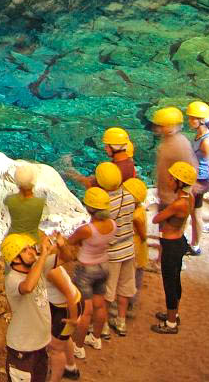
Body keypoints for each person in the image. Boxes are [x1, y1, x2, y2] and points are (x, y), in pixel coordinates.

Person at [66, 187, 115, 355]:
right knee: (100, 305)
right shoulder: (112, 224)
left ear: (90, 208)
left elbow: (71, 241)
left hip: (86, 269)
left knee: (85, 311)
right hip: (104, 265)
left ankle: (78, 347)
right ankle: (96, 338)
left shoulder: (87, 229)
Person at [151, 161, 196, 334]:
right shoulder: (189, 198)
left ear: (179, 182)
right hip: (179, 241)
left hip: (171, 245)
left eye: (172, 178)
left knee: (169, 284)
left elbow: (157, 219)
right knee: (175, 280)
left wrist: (161, 209)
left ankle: (171, 323)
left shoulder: (179, 204)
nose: (169, 180)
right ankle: (173, 313)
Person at [2, 233, 54, 382]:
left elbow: (67, 257)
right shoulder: (12, 279)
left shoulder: (36, 268)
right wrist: (43, 255)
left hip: (40, 345)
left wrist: (61, 246)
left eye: (31, 247)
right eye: (25, 250)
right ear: (15, 258)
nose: (32, 251)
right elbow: (28, 287)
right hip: (22, 348)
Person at [96, 161, 137, 338]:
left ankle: (103, 325)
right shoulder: (129, 197)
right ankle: (121, 321)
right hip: (129, 249)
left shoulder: (105, 205)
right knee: (125, 288)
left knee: (107, 291)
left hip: (112, 254)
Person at [40, 230, 84, 380]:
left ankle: (56, 377)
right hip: (61, 306)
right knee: (63, 339)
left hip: (68, 307)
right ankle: (70, 367)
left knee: (55, 348)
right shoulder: (49, 263)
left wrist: (73, 319)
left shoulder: (51, 271)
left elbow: (69, 295)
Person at [184, 101, 209, 253]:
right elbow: (208, 161)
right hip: (198, 178)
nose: (189, 121)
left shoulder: (206, 141)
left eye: (192, 118)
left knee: (195, 214)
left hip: (198, 181)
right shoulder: (201, 135)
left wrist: (206, 177)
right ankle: (194, 244)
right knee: (193, 213)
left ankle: (195, 246)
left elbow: (208, 160)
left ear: (201, 120)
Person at [67, 127, 137, 189]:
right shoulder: (129, 162)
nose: (105, 148)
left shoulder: (117, 171)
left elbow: (88, 184)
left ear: (114, 148)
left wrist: (71, 171)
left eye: (106, 146)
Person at [122, 176, 151, 312]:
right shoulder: (141, 210)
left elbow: (143, 235)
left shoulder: (135, 216)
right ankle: (131, 303)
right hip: (138, 248)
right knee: (135, 277)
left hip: (135, 248)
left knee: (132, 277)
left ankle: (130, 304)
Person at [5, 163, 47, 243]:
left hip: (14, 238)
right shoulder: (40, 202)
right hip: (32, 239)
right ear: (33, 182)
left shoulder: (10, 200)